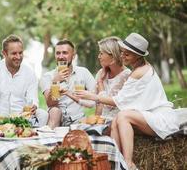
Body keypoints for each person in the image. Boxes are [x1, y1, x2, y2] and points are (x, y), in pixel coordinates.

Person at [75, 33, 179, 170]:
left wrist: (93, 96)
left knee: (123, 116)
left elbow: (119, 101)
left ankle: (128, 163)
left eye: (127, 54)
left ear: (138, 56)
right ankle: (116, 163)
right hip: (148, 115)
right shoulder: (138, 69)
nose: (122, 56)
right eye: (123, 52)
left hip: (159, 118)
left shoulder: (138, 72)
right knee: (119, 119)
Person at [0, 34, 48, 128]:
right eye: (14, 53)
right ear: (4, 53)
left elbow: (33, 99)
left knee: (43, 114)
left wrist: (33, 106)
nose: (18, 57)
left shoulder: (30, 73)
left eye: (20, 53)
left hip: (21, 118)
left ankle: (34, 139)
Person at [40, 39, 96, 129]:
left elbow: (95, 97)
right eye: (58, 53)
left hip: (78, 120)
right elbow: (50, 103)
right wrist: (55, 82)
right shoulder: (48, 76)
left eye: (65, 53)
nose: (61, 56)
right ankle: (49, 138)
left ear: (73, 56)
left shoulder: (83, 72)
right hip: (57, 119)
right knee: (54, 110)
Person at [94, 37, 131, 122]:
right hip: (101, 121)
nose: (99, 57)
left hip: (117, 123)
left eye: (101, 53)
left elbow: (107, 105)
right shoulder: (101, 72)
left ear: (113, 56)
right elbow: (97, 104)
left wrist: (100, 82)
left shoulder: (126, 76)